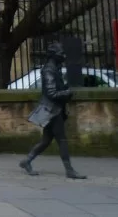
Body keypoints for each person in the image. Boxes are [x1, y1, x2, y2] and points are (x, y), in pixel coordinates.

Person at [19, 41, 86, 179]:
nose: (64, 55)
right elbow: (52, 93)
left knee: (46, 140)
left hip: (54, 109)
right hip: (52, 110)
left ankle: (27, 161)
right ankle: (69, 170)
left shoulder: (55, 68)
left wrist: (66, 88)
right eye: (61, 53)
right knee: (62, 140)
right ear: (54, 55)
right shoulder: (49, 70)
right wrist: (68, 93)